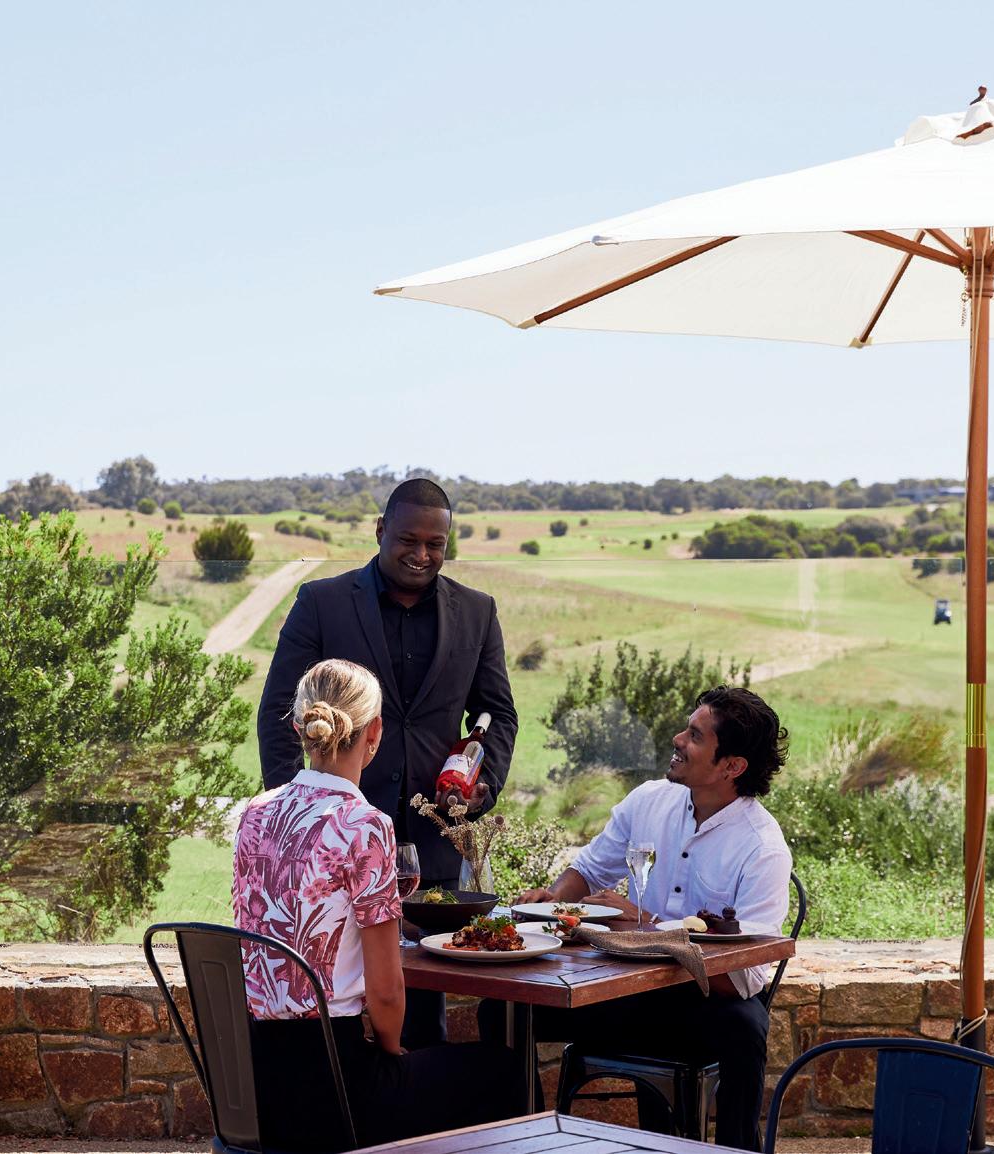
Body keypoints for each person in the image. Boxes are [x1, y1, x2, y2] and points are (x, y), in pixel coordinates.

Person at [258, 477, 518, 1045]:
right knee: (325, 996)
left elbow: (498, 714)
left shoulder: (477, 612)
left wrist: (483, 787)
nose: (422, 554)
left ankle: (406, 1089)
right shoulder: (321, 602)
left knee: (423, 1018)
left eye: (436, 544)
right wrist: (292, 817)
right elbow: (279, 711)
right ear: (380, 531)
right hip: (331, 849)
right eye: (408, 540)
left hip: (431, 855)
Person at [479, 686, 793, 1151]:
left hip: (700, 1006)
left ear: (732, 766)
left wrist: (647, 929)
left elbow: (743, 977)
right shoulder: (649, 801)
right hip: (625, 994)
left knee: (746, 1027)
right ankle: (524, 1141)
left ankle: (737, 1150)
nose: (678, 739)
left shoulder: (762, 847)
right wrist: (555, 900)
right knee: (503, 1011)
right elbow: (588, 871)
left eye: (695, 736)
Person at [234, 659, 515, 1152]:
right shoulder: (364, 826)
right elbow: (386, 993)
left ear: (299, 727)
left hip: (258, 1088)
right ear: (375, 733)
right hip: (337, 1095)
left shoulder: (255, 814)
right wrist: (391, 1049)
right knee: (505, 1072)